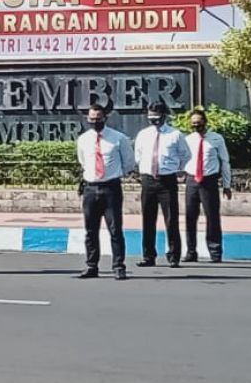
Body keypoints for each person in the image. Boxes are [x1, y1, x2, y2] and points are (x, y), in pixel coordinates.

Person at [76, 104, 135, 280]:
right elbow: (83, 161)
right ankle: (91, 265)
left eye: (98, 118)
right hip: (90, 188)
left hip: (111, 188)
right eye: (91, 119)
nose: (95, 122)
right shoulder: (83, 139)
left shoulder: (119, 138)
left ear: (105, 118)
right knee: (90, 230)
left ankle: (118, 266)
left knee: (115, 229)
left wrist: (113, 175)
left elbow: (129, 163)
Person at [133, 102, 189, 268]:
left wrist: (178, 169)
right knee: (148, 220)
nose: (154, 121)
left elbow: (185, 155)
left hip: (167, 180)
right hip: (148, 180)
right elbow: (138, 156)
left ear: (164, 116)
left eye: (157, 118)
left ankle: (173, 255)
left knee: (171, 219)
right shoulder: (143, 134)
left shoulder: (175, 135)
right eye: (150, 118)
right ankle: (148, 256)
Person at [183, 108, 231, 263]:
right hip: (192, 181)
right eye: (193, 124)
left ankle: (215, 252)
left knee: (212, 217)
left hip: (209, 181)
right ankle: (191, 251)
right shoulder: (188, 139)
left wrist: (227, 184)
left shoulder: (216, 139)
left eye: (199, 122)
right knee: (190, 217)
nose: (196, 126)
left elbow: (225, 161)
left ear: (205, 122)